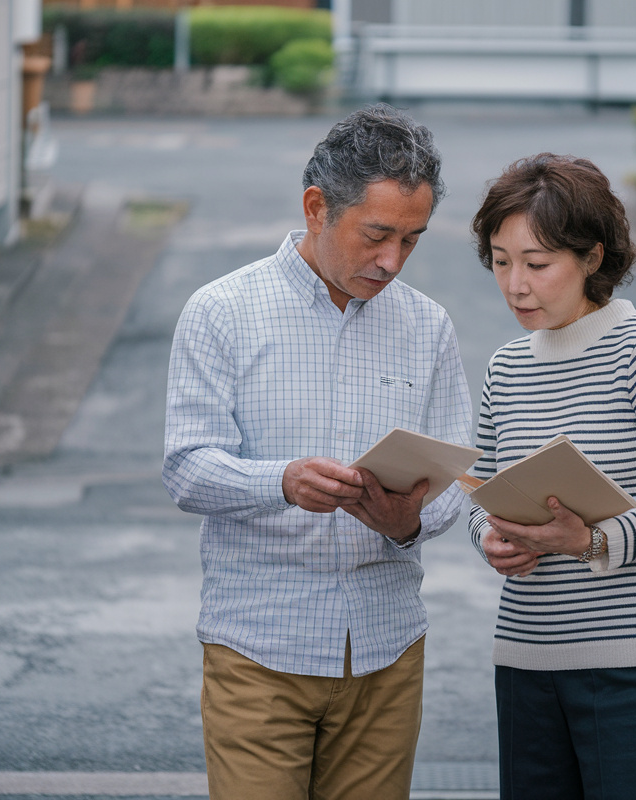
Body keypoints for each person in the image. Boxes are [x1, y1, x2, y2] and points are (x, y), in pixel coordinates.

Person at [162, 104, 472, 800]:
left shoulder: (429, 327)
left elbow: (453, 478)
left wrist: (409, 522)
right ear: (315, 207)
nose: (392, 260)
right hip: (258, 650)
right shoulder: (222, 311)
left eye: (413, 241)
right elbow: (186, 467)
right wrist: (282, 481)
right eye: (377, 235)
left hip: (388, 652)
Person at [468, 153, 636, 799]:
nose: (515, 284)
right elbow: (482, 489)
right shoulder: (505, 368)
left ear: (592, 257)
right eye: (501, 260)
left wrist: (590, 541)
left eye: (537, 263)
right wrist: (489, 536)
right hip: (526, 661)